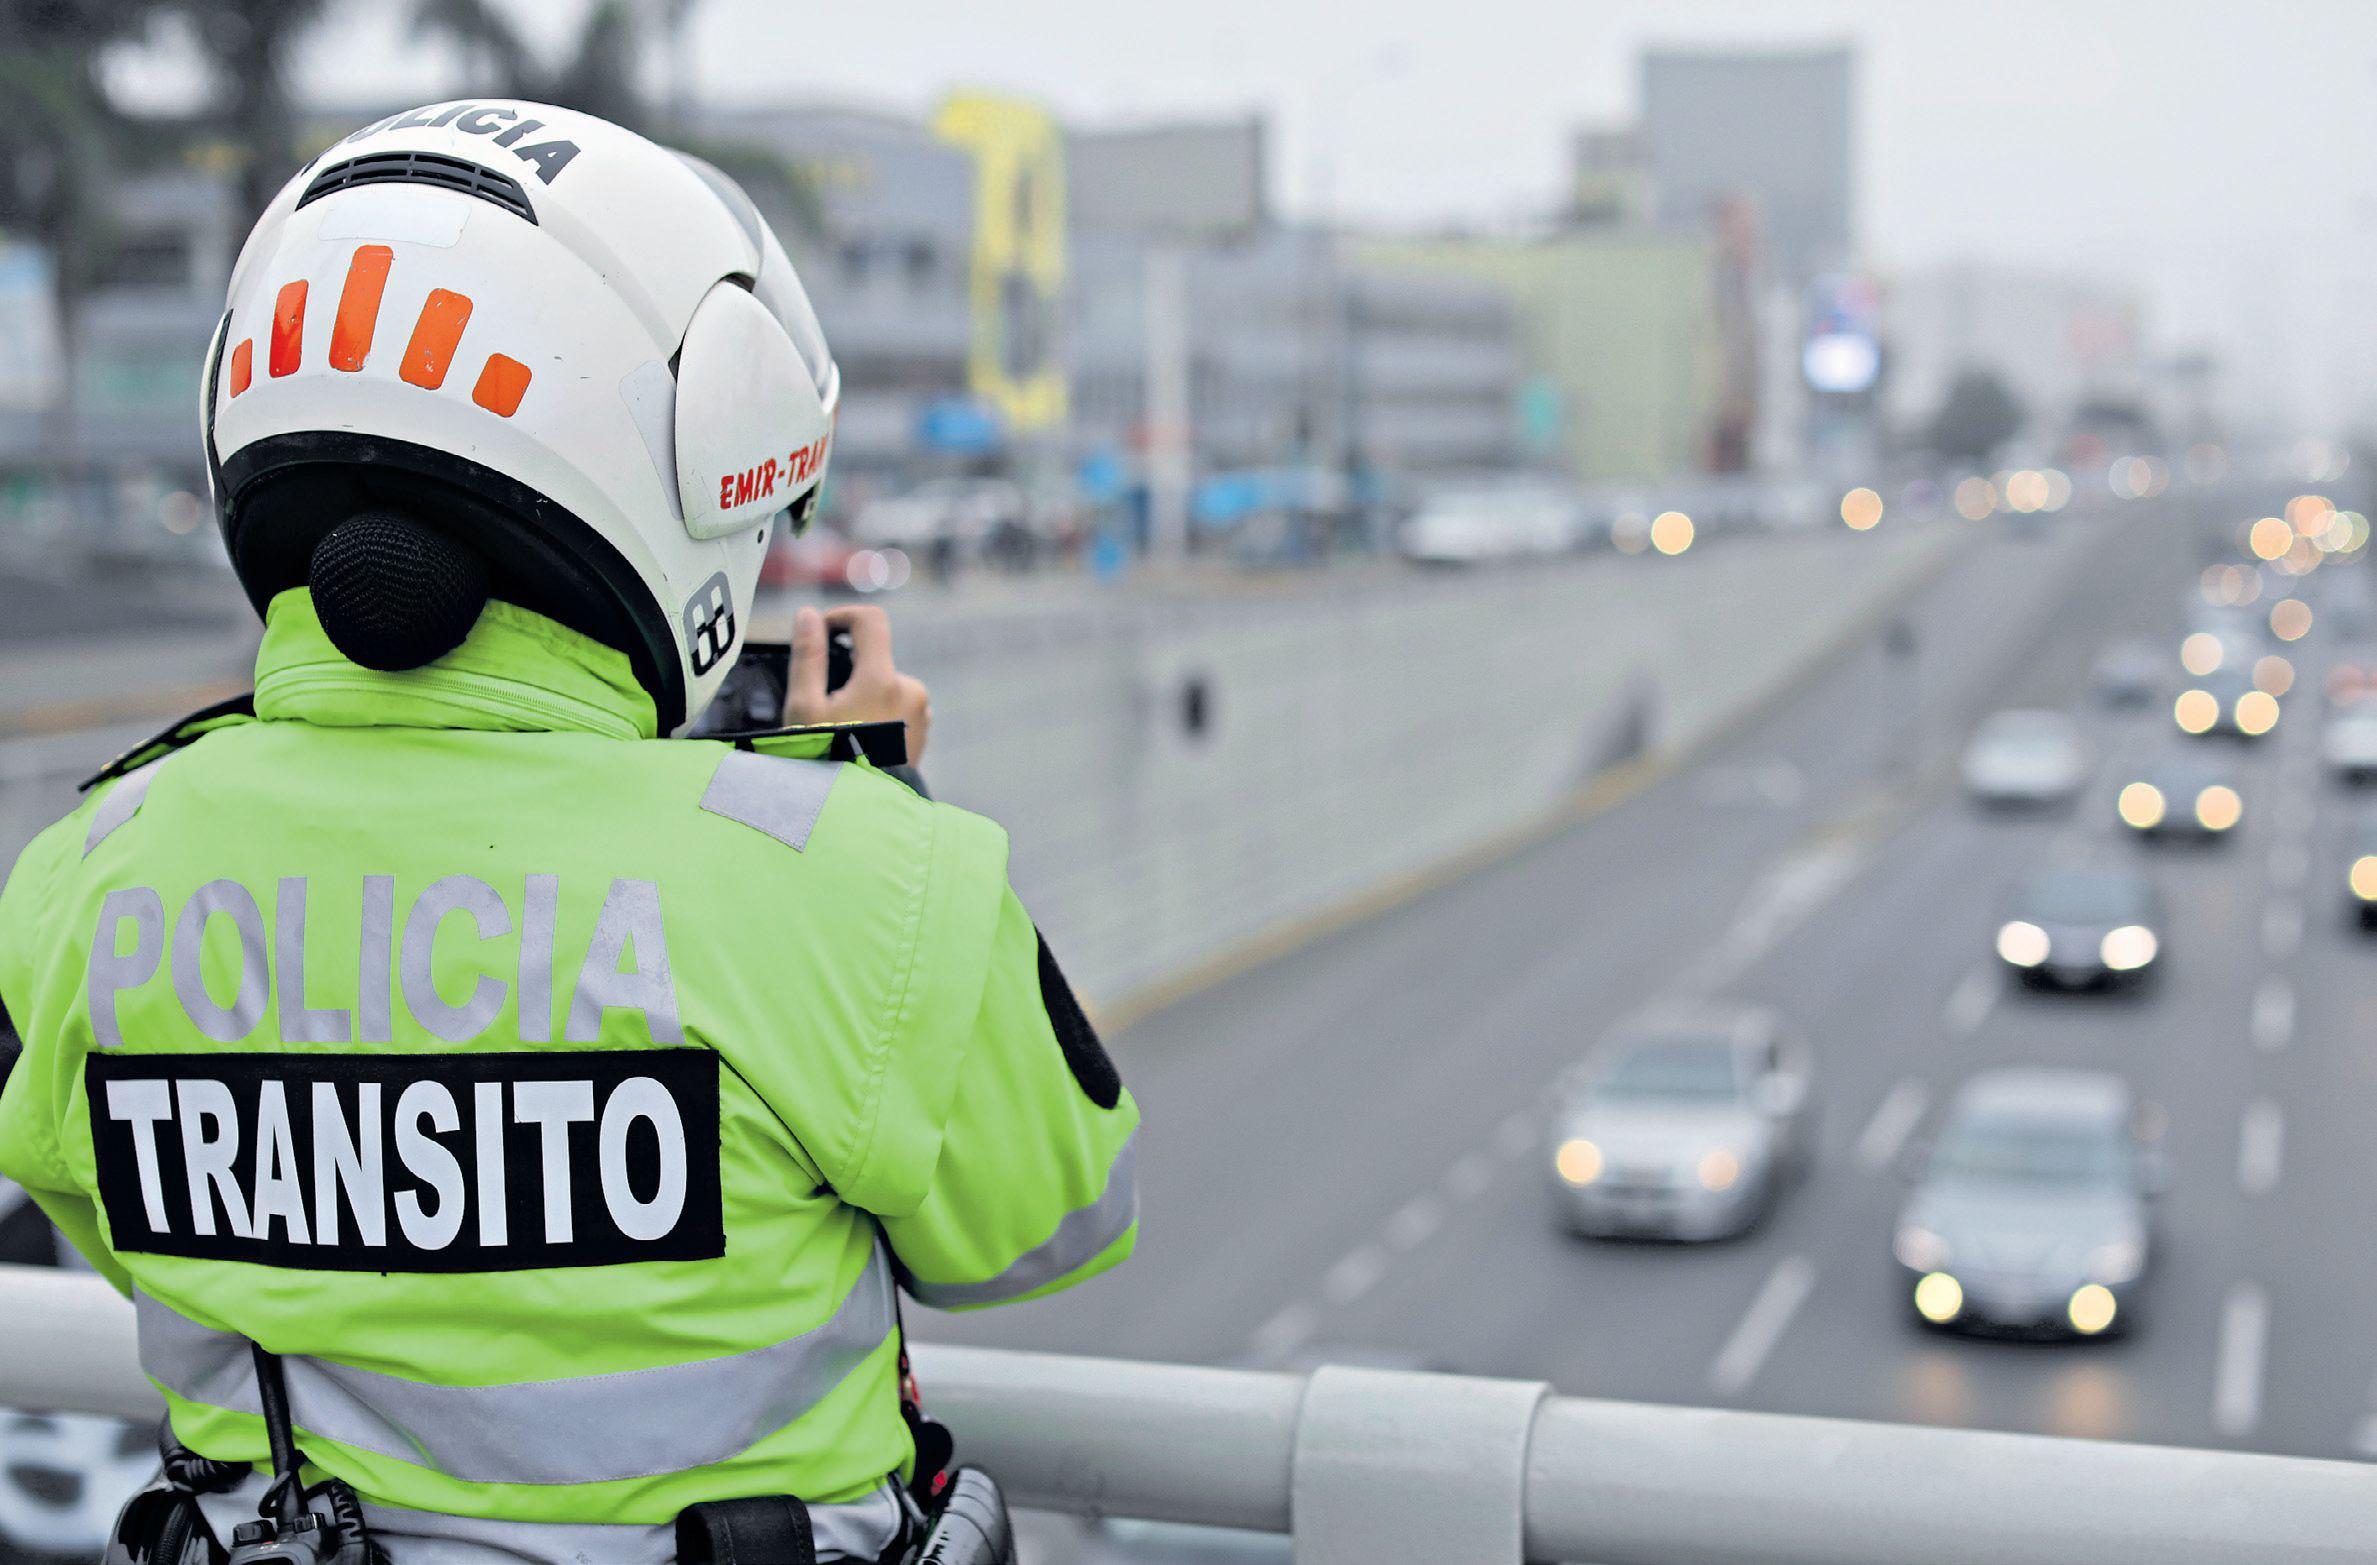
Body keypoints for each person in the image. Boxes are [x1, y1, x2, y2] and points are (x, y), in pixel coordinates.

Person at [0, 102, 1138, 1565]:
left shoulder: (89, 873)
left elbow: (122, 1218)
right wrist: (874, 800)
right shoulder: (850, 877)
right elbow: (1048, 1219)